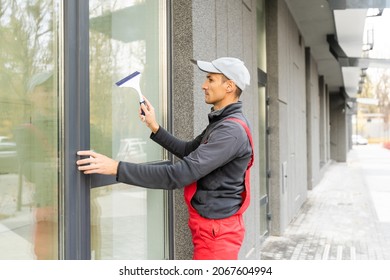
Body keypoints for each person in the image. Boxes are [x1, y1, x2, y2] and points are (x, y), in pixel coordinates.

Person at [76, 57, 254, 260]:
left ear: (229, 86)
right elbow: (189, 151)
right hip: (210, 226)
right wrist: (154, 127)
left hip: (217, 233)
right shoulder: (221, 122)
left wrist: (116, 168)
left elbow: (178, 175)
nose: (204, 85)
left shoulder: (230, 131)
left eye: (210, 79)